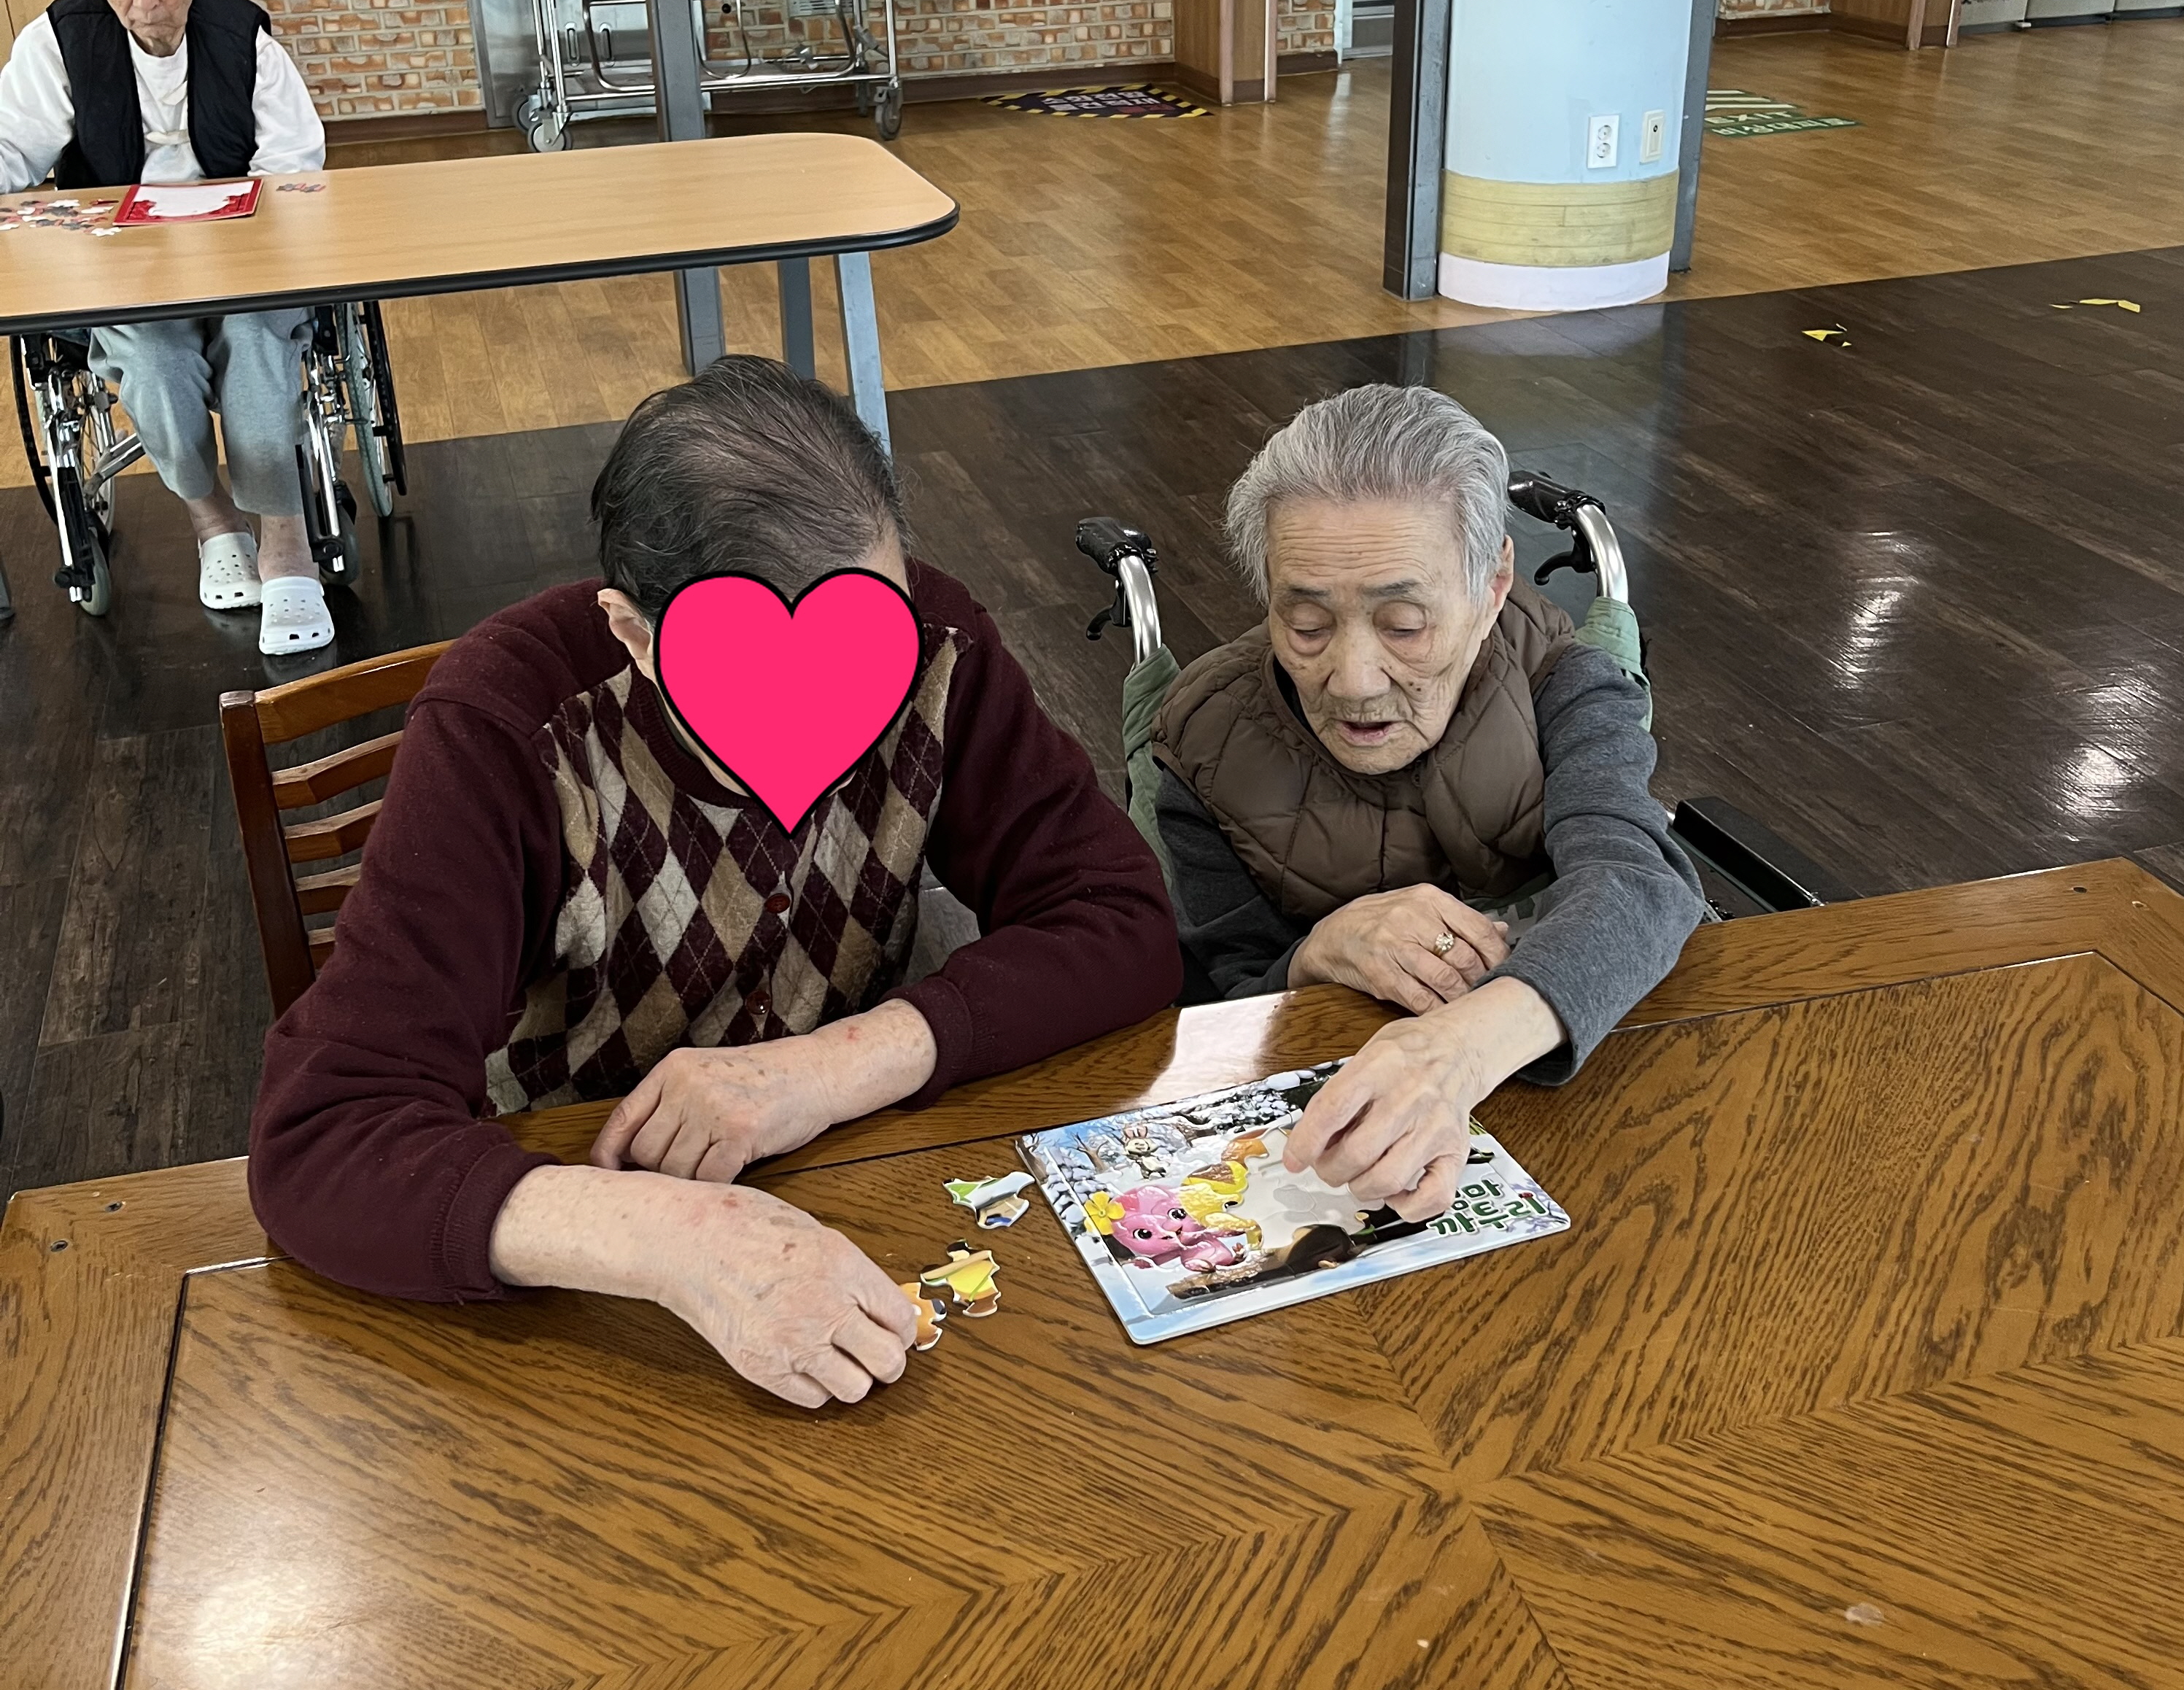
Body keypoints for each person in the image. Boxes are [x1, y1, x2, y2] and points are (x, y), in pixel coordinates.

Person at [250, 354, 1183, 1408]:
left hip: (850, 1164)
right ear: (633, 633)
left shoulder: (937, 644)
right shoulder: (508, 724)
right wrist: (683, 1238)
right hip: (582, 1241)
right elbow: (325, 1135)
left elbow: (1120, 916)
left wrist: (818, 1072)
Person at [1152, 382, 1704, 1223]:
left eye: (1404, 623)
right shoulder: (1205, 743)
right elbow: (1214, 1014)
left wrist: (1458, 1050)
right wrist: (1313, 954)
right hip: (1328, 1150)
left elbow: (1641, 884)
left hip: (1573, 1094)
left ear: (1492, 585)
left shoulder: (1563, 685)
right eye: (1306, 625)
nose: (1353, 680)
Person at [0, 0, 334, 654]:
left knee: (256, 343)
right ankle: (214, 522)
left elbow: (295, 165)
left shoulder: (244, 36)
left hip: (247, 254)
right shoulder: (58, 42)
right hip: (127, 269)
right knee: (153, 360)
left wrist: (247, 235)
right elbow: (10, 150)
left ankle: (287, 545)